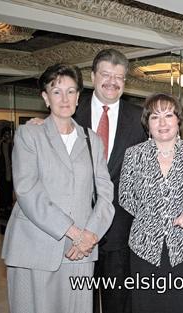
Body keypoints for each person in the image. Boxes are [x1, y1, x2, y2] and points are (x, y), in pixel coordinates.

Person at [1, 63, 115, 313]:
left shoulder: (91, 140)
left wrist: (91, 235)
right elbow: (28, 191)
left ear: (78, 97)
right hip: (35, 246)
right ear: (45, 97)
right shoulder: (29, 135)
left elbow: (106, 195)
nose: (65, 98)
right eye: (57, 91)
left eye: (71, 91)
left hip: (81, 251)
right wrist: (75, 232)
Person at [119, 93, 183, 313]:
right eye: (155, 117)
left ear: (178, 120)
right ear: (147, 123)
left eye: (168, 115)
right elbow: (125, 195)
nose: (162, 122)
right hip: (144, 248)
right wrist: (153, 216)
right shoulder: (134, 155)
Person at [73, 49, 147, 313]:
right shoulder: (70, 111)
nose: (112, 82)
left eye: (119, 77)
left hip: (120, 229)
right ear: (93, 76)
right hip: (76, 227)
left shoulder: (140, 118)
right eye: (106, 74)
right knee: (80, 301)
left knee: (119, 302)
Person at [0, 126, 14, 218]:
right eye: (6, 134)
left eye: (8, 133)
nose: (7, 135)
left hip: (10, 168)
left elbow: (15, 155)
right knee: (2, 187)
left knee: (9, 187)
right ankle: (2, 205)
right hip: (2, 169)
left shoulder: (11, 143)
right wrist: (0, 143)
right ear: (3, 134)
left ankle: (9, 204)